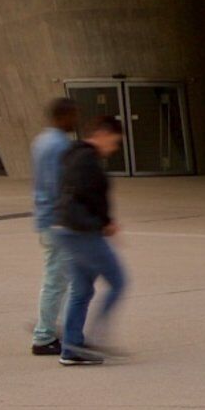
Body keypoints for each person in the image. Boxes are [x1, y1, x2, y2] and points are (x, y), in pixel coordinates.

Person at [55, 115, 128, 366]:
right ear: (103, 133)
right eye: (115, 142)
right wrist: (106, 222)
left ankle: (71, 347)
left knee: (82, 289)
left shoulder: (72, 155)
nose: (114, 148)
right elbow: (91, 195)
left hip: (67, 229)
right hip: (83, 231)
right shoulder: (89, 160)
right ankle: (94, 339)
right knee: (118, 282)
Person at [26, 96, 82, 357]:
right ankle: (45, 336)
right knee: (59, 280)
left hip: (47, 219)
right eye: (73, 115)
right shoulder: (59, 145)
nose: (76, 120)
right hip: (59, 222)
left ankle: (50, 331)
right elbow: (59, 186)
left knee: (59, 278)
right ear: (63, 116)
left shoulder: (42, 140)